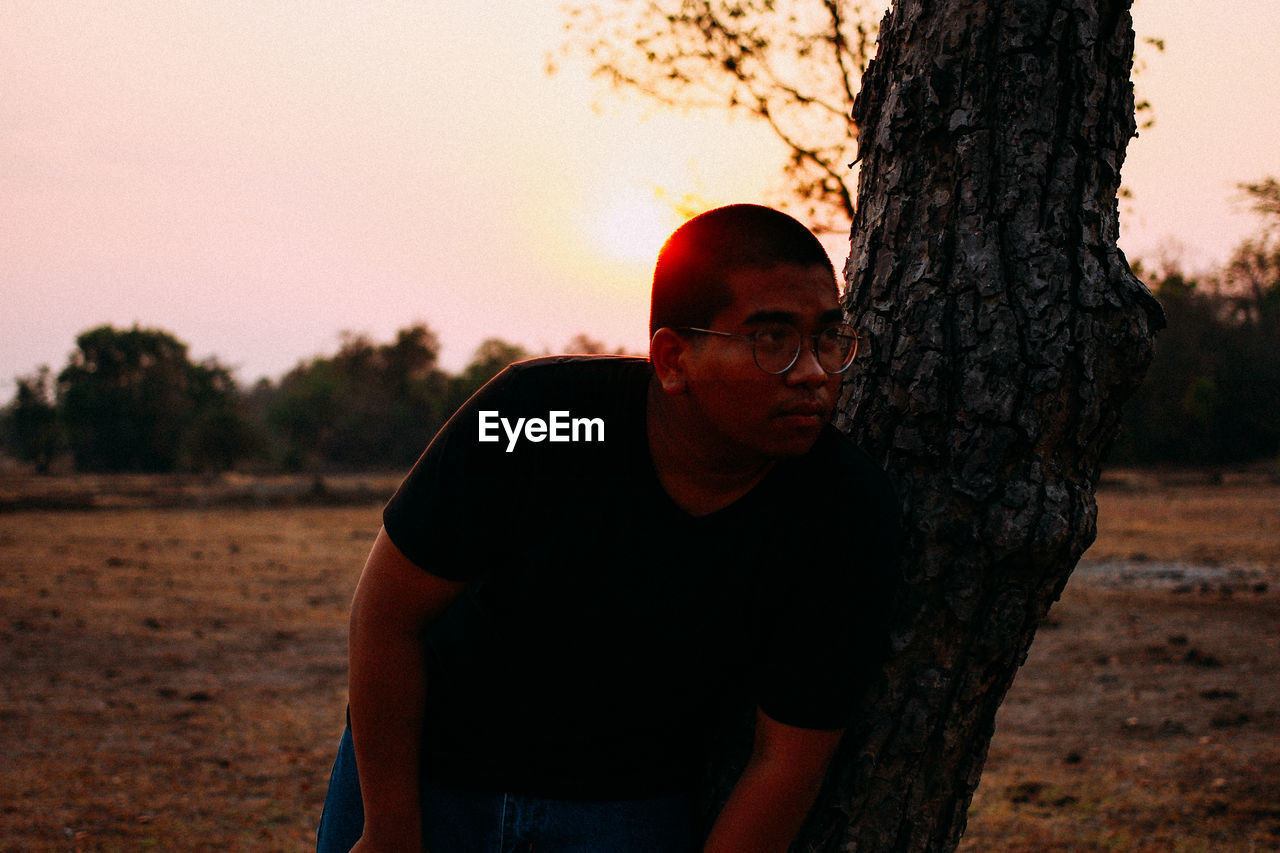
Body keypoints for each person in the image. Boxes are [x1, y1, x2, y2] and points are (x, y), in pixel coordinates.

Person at [316, 204, 901, 852]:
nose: (814, 372)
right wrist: (390, 827)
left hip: (626, 811)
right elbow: (386, 615)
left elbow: (787, 760)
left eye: (827, 337)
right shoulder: (541, 420)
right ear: (673, 358)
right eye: (771, 340)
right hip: (429, 775)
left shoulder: (840, 508)